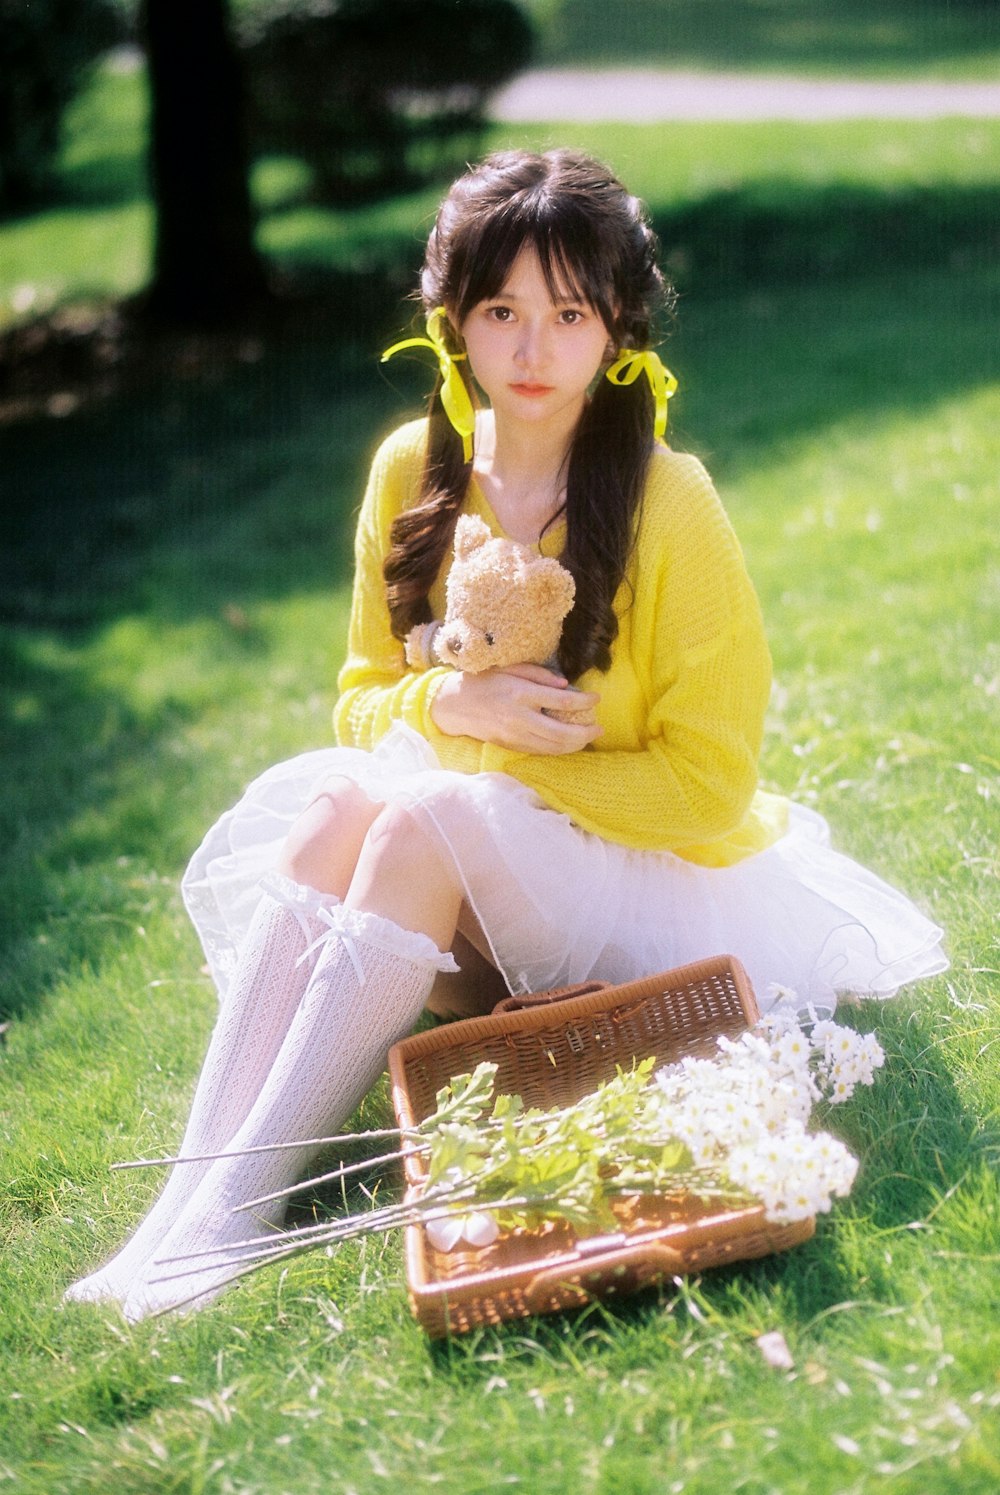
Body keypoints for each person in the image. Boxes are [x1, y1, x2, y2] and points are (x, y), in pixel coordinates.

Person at [65, 149, 946, 1320]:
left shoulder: (669, 500)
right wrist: (442, 701)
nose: (534, 351)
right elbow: (360, 697)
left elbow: (710, 781)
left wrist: (504, 755)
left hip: (646, 879)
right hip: (472, 890)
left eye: (568, 313)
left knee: (426, 814)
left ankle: (229, 1223)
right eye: (502, 312)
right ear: (453, 320)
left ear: (618, 325)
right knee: (336, 802)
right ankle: (178, 1213)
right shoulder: (409, 470)